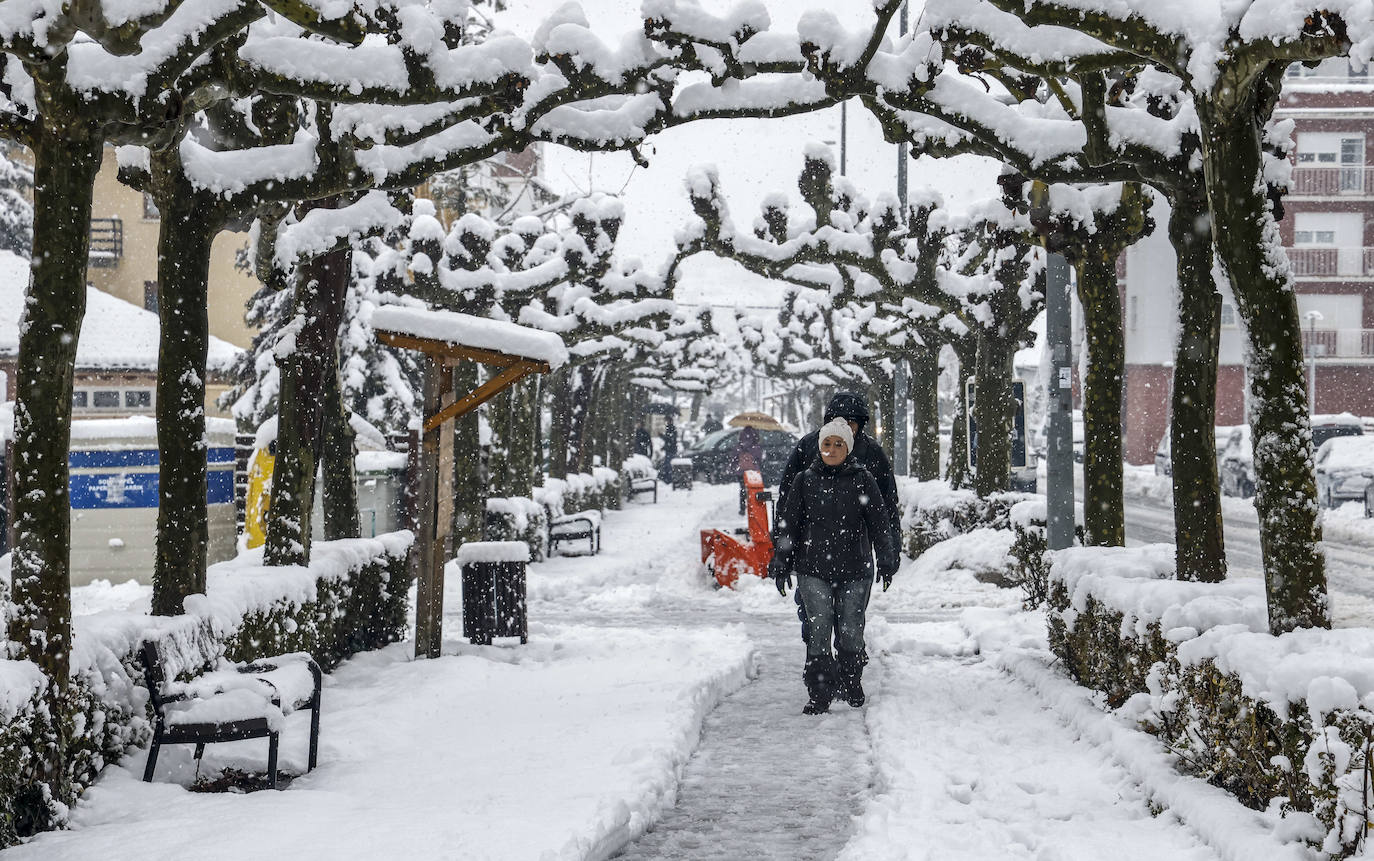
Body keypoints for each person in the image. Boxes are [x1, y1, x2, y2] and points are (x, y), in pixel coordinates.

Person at [769, 418, 898, 714]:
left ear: (848, 448)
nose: (831, 449)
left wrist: (887, 560)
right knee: (819, 627)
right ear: (819, 445)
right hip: (813, 568)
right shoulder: (804, 481)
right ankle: (820, 692)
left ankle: (851, 680)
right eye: (826, 443)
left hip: (855, 569)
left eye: (838, 443)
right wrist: (780, 562)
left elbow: (879, 524)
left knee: (851, 629)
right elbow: (789, 526)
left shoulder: (862, 480)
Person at [775, 392, 901, 642]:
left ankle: (848, 670)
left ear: (861, 425)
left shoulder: (872, 455)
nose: (843, 426)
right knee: (814, 624)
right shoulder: (809, 447)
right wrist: (781, 554)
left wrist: (889, 553)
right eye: (838, 420)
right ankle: (821, 672)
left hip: (856, 554)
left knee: (850, 626)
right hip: (811, 555)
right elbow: (787, 505)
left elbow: (885, 510)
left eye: (851, 422)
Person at [734, 425, 763, 514]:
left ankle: (742, 508)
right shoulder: (756, 445)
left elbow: (734, 457)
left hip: (741, 470)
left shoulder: (739, 444)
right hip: (753, 471)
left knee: (743, 489)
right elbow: (759, 458)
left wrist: (734, 467)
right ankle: (753, 508)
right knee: (753, 489)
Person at [658, 416, 679, 483]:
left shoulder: (671, 428)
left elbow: (670, 440)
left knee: (668, 464)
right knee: (667, 464)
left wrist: (662, 436)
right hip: (670, 449)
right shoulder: (669, 428)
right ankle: (667, 478)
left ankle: (669, 479)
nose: (666, 422)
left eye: (666, 421)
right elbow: (669, 441)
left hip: (671, 450)